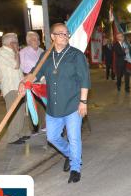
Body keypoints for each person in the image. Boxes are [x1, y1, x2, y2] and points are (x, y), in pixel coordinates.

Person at [20, 23, 90, 183]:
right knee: (52, 137)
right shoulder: (46, 56)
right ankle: (71, 154)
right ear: (52, 37)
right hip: (54, 106)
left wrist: (83, 102)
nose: (65, 36)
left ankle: (75, 168)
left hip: (73, 104)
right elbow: (34, 74)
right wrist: (23, 83)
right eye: (61, 34)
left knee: (74, 138)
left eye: (67, 34)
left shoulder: (76, 55)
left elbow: (84, 79)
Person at [0, 33, 31, 145]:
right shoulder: (2, 52)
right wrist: (16, 52)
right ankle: (12, 137)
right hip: (11, 87)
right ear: (11, 43)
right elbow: (16, 65)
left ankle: (19, 133)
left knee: (20, 112)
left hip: (18, 87)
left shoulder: (11, 52)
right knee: (14, 113)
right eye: (15, 41)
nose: (17, 44)